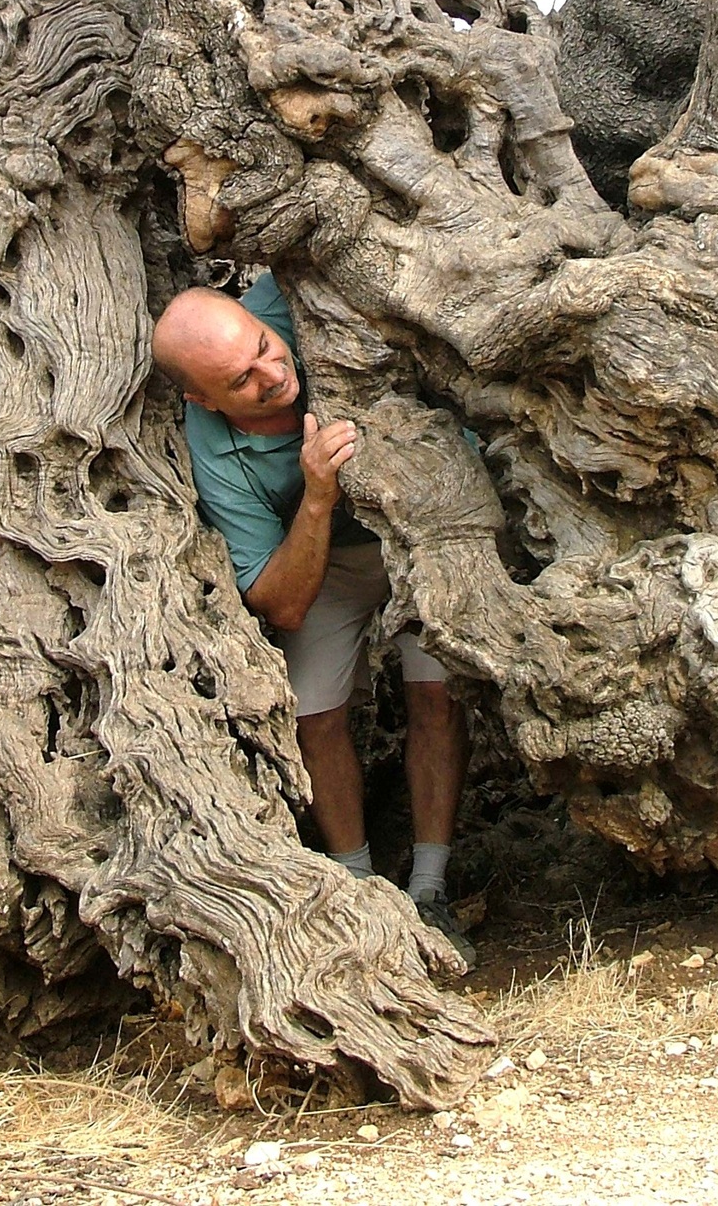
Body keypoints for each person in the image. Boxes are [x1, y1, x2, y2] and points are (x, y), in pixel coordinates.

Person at [152, 272, 475, 966]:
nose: (274, 374)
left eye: (265, 348)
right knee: (313, 716)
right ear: (202, 398)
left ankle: (430, 887)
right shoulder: (214, 450)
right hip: (323, 561)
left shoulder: (287, 298)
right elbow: (280, 601)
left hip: (427, 526)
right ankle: (359, 888)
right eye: (242, 380)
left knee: (438, 694)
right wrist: (319, 495)